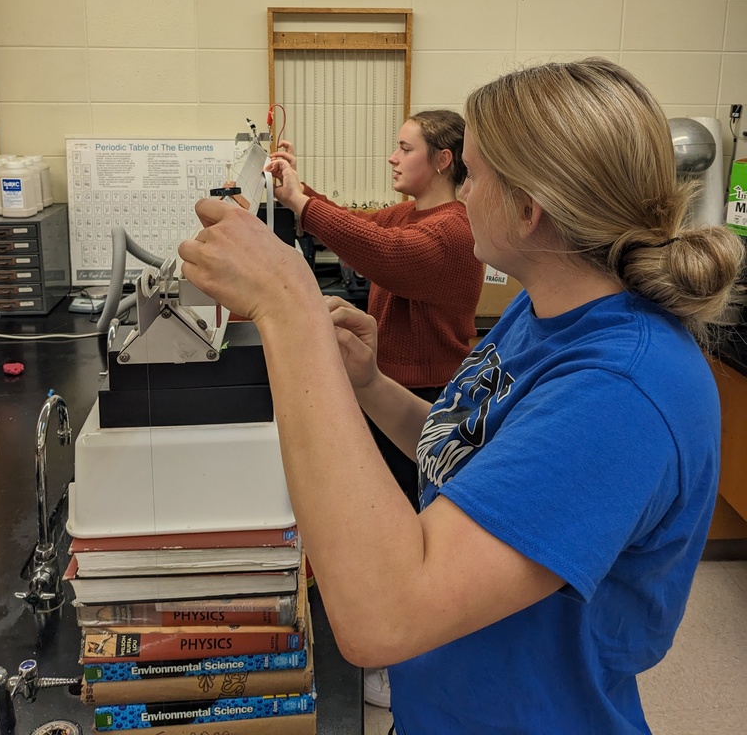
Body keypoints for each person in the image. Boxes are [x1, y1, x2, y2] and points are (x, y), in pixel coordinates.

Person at [179, 58, 743, 734]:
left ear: (530, 211)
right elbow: (475, 462)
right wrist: (369, 384)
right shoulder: (542, 310)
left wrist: (287, 308)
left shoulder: (620, 394)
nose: (461, 194)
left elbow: (383, 616)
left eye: (472, 175)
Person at [268, 111, 484, 710]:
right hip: (389, 393)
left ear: (442, 160)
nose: (392, 157)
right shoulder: (416, 216)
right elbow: (359, 227)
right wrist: (294, 186)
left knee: (402, 545)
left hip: (428, 402)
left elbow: (382, 252)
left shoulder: (451, 231)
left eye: (404, 147)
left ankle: (403, 664)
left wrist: (302, 207)